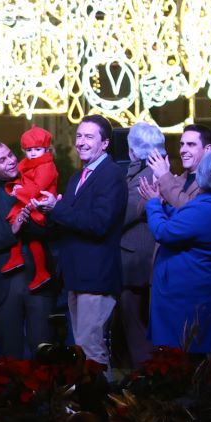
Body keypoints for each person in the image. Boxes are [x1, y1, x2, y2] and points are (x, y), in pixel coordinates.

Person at [31, 115, 126, 368]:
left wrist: (57, 208)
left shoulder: (111, 174)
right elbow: (69, 220)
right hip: (77, 276)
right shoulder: (78, 175)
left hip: (96, 276)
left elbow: (99, 224)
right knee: (82, 349)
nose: (81, 142)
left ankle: (100, 405)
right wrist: (45, 211)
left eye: (89, 137)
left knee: (91, 348)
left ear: (105, 143)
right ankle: (86, 403)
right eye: (79, 136)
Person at [142, 149, 211, 353]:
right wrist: (161, 206)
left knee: (184, 360)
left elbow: (164, 232)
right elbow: (184, 221)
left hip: (187, 300)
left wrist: (153, 204)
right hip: (189, 295)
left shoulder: (206, 208)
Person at [0, 140, 55, 360]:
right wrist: (13, 230)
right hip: (4, 285)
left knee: (45, 353)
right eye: (2, 159)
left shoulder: (38, 182)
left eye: (10, 155)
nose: (11, 161)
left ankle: (48, 395)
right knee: (10, 355)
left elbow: (54, 230)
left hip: (40, 283)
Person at [119, 122, 166, 366]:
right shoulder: (152, 173)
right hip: (140, 262)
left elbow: (123, 214)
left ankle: (144, 385)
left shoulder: (145, 177)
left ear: (133, 151)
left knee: (136, 330)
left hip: (135, 262)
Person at [1, 127, 59, 292]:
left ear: (46, 149)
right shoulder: (27, 163)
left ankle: (37, 269)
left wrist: (18, 190)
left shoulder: (47, 165)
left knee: (29, 233)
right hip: (29, 200)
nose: (33, 153)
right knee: (22, 228)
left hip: (39, 203)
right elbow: (22, 179)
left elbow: (37, 188)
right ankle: (21, 259)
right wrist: (17, 186)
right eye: (29, 150)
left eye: (37, 149)